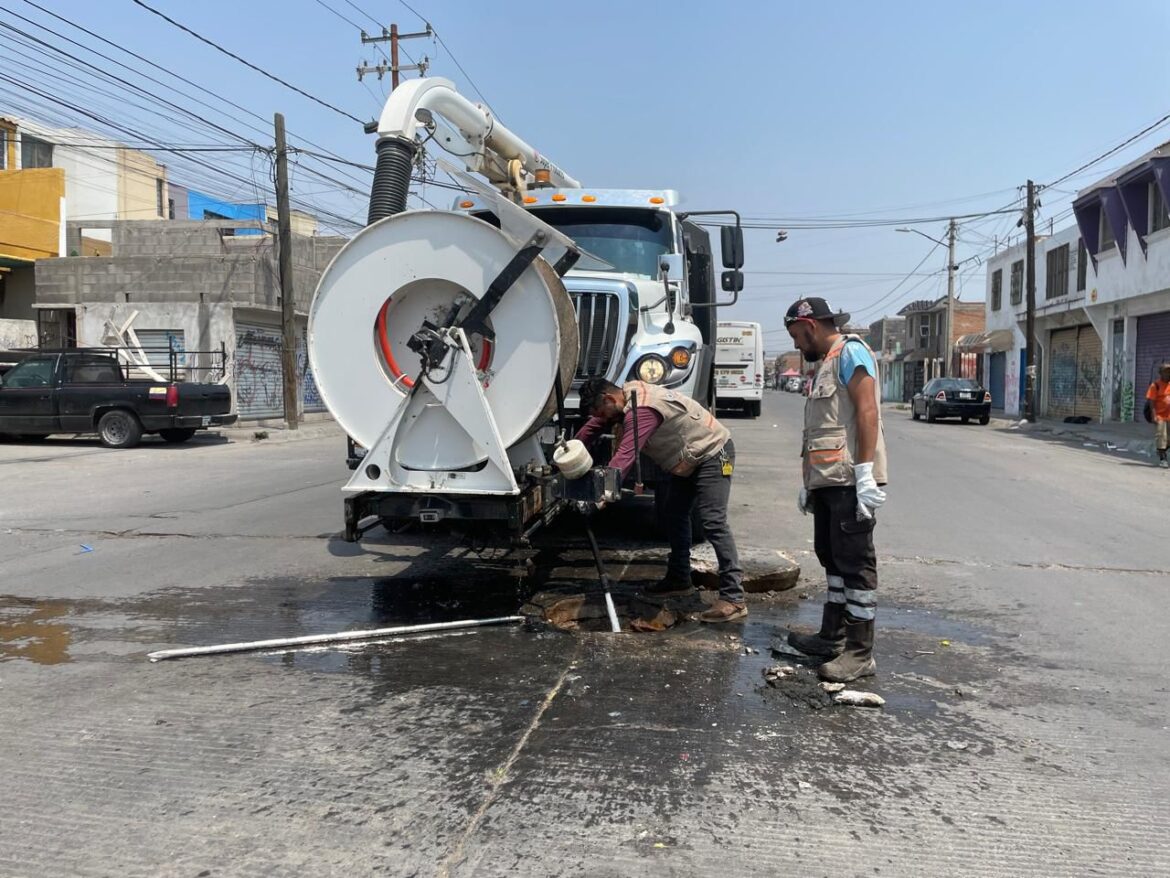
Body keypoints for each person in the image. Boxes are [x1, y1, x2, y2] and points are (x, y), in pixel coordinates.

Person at [575, 378, 747, 622]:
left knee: (713, 522)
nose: (603, 418)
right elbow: (595, 424)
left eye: (602, 411)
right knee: (673, 513)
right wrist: (570, 451)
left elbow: (625, 455)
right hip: (688, 459)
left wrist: (601, 494)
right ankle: (679, 578)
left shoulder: (642, 411)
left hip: (714, 453)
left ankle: (734, 597)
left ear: (609, 399)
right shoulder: (625, 397)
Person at [782, 297, 888, 682]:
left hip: (848, 480)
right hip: (827, 481)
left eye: (796, 336)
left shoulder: (851, 353)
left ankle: (860, 653)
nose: (796, 345)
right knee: (830, 556)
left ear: (810, 326)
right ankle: (833, 637)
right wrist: (807, 482)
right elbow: (819, 430)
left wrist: (864, 474)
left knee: (855, 565)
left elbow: (866, 412)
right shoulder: (825, 363)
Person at [1148, 363, 1170, 469]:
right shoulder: (1155, 385)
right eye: (1166, 371)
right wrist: (1154, 415)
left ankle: (1161, 451)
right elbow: (1151, 402)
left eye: (1169, 371)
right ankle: (1163, 458)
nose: (1168, 373)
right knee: (1162, 437)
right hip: (1160, 416)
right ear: (1161, 373)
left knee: (1168, 439)